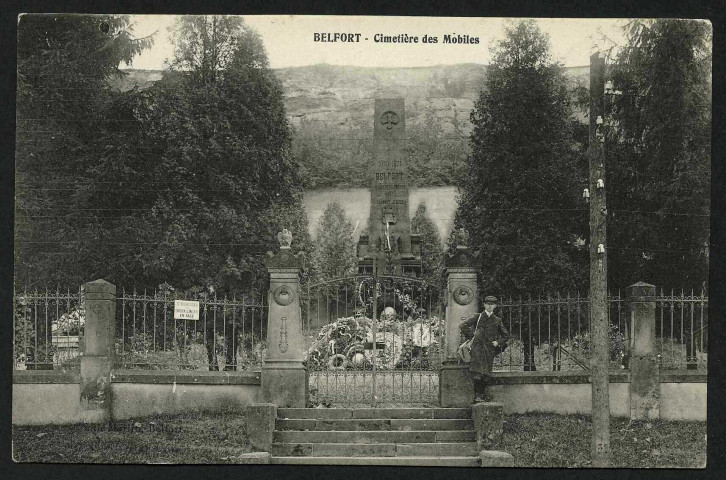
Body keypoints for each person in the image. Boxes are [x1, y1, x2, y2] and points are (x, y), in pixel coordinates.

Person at [459, 295, 509, 402]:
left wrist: (497, 342)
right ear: (484, 305)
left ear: (495, 306)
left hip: (489, 350)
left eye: (492, 304)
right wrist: (472, 336)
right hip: (477, 348)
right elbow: (463, 325)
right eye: (487, 304)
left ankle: (482, 395)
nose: (490, 306)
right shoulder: (478, 317)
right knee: (477, 372)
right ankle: (477, 396)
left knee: (486, 373)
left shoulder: (497, 320)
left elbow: (506, 335)